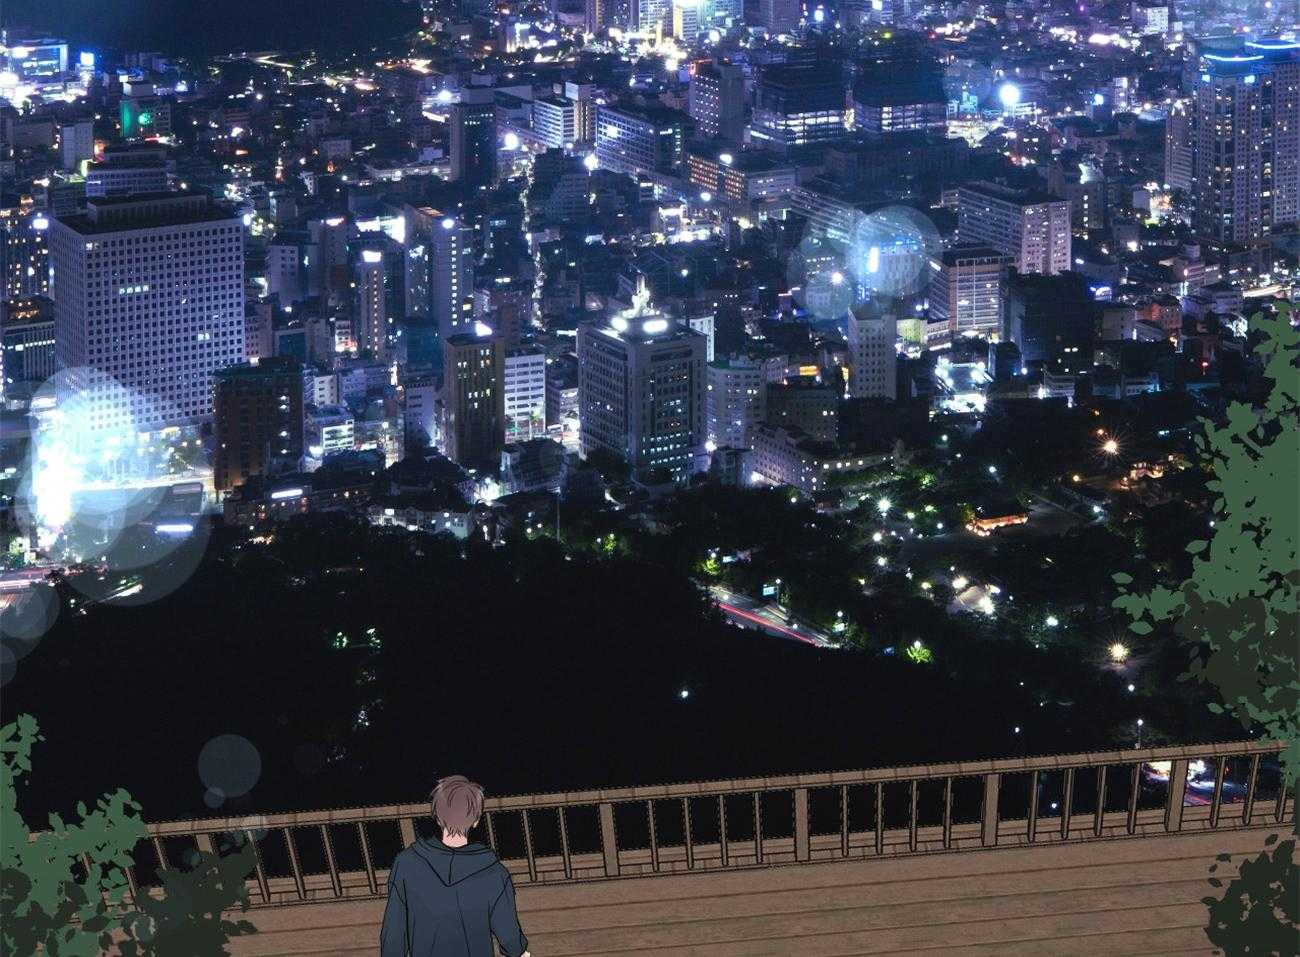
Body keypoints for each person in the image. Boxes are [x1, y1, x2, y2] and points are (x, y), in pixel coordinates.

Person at [380, 775, 530, 957]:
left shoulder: (406, 864)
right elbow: (511, 941)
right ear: (476, 820)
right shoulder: (495, 873)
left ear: (437, 817)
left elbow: (393, 937)